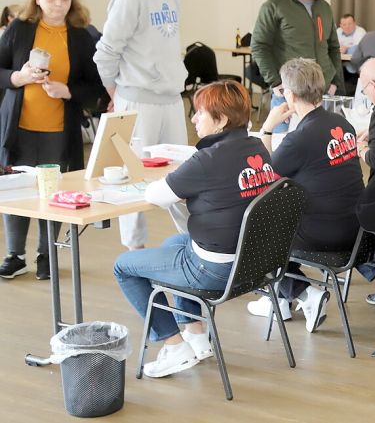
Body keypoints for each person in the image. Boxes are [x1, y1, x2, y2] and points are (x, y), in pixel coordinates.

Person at [114, 80, 277, 378]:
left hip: (216, 270)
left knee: (123, 266)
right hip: (254, 261)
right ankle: (196, 334)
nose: (193, 119)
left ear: (221, 120)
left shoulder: (207, 160)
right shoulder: (256, 146)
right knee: (174, 243)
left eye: (199, 113)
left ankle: (174, 346)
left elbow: (155, 196)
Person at [247, 58, 363, 332]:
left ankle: (303, 294)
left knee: (255, 231)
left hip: (326, 236)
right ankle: (282, 301)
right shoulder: (341, 123)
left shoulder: (300, 138)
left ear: (291, 94)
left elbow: (264, 175)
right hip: (357, 228)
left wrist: (267, 127)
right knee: (278, 218)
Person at [0, 0, 103, 280]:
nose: (58, 5)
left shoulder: (82, 36)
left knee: (53, 193)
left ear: (73, 2)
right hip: (18, 127)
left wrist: (67, 91)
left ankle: (47, 254)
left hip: (60, 130)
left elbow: (95, 87)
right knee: (16, 190)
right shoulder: (19, 29)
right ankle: (15, 254)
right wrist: (18, 78)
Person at [94, 0, 190, 251]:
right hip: (136, 97)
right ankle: (134, 249)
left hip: (170, 96)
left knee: (181, 175)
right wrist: (114, 91)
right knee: (135, 177)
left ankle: (197, 241)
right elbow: (106, 51)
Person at [252, 0, 344, 133]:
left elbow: (333, 47)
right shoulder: (274, 6)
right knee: (281, 148)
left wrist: (335, 82)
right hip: (290, 94)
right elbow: (259, 46)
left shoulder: (324, 8)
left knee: (322, 150)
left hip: (323, 93)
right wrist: (276, 82)